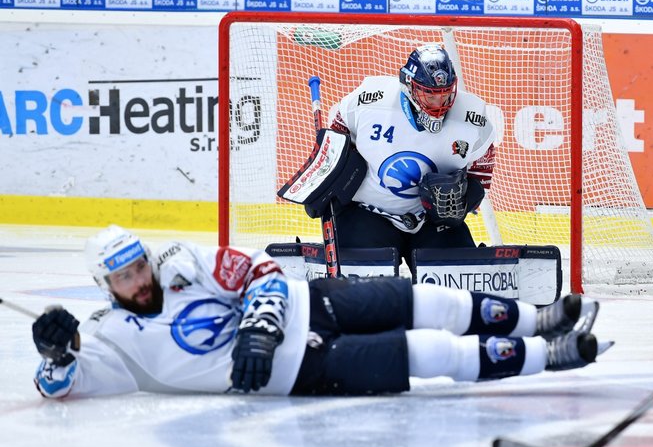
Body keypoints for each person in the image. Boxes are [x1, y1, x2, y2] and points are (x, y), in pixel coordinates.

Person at [31, 225, 612, 399]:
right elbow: (61, 385)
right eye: (123, 276)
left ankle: (538, 319)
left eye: (139, 267)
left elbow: (259, 271)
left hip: (317, 300)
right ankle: (548, 355)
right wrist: (56, 352)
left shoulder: (182, 260)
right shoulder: (107, 338)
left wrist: (258, 327)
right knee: (429, 353)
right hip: (300, 372)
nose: (138, 281)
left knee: (428, 299)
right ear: (103, 284)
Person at [323, 43, 496, 276]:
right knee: (361, 295)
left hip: (433, 222)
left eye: (445, 94)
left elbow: (482, 166)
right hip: (369, 214)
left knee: (458, 283)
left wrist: (466, 200)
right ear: (409, 85)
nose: (440, 104)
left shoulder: (472, 118)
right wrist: (329, 180)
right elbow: (336, 138)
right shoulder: (369, 102)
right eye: (431, 95)